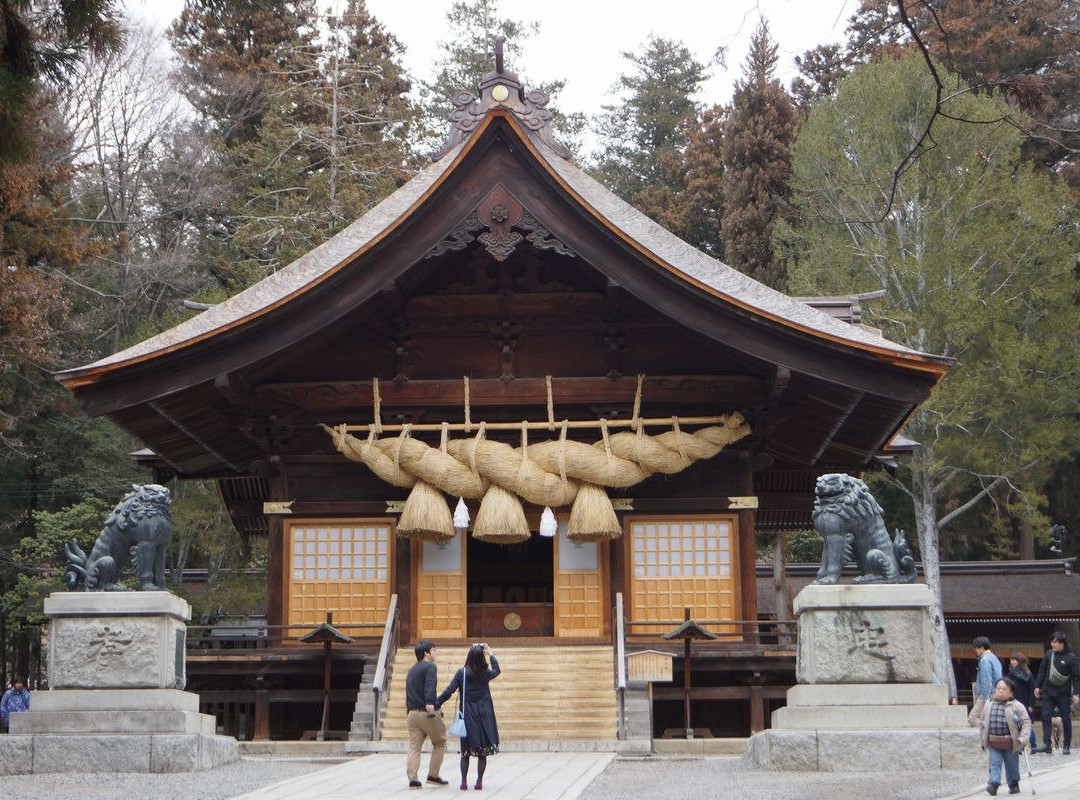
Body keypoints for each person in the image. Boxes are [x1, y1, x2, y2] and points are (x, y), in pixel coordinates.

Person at [437, 643, 500, 791]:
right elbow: (497, 670)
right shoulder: (486, 673)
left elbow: (449, 691)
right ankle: (479, 782)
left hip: (468, 715)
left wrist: (436, 702)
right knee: (482, 752)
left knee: (465, 752)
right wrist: (490, 653)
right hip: (484, 714)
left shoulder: (462, 673)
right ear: (481, 657)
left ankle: (464, 781)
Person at [404, 640, 448, 789]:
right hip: (426, 712)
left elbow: (408, 691)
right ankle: (433, 775)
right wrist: (430, 703)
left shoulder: (412, 669)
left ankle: (413, 780)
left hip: (412, 713)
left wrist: (408, 710)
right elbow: (430, 685)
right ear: (426, 653)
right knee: (440, 742)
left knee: (414, 746)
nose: (435, 653)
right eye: (433, 650)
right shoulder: (430, 667)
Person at [980, 676, 1032, 796]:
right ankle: (993, 784)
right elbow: (982, 724)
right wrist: (983, 739)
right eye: (998, 688)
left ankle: (1013, 784)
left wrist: (1023, 738)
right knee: (995, 763)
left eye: (1004, 689)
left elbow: (1026, 722)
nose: (1000, 691)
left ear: (1011, 691)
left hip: (1011, 742)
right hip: (993, 741)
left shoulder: (1017, 706)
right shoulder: (988, 704)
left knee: (1011, 765)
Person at [1033, 631, 1080, 755]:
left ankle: (1066, 746)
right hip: (1048, 691)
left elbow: (1076, 676)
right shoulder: (1049, 654)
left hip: (1063, 693)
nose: (1052, 644)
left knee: (1065, 719)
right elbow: (1042, 671)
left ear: (1061, 643)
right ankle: (1047, 744)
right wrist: (1037, 686)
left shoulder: (1071, 657)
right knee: (1045, 716)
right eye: (1051, 641)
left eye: (1054, 642)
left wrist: (1076, 693)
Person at [1007, 652, 1038, 751]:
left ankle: (1033, 746)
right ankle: (1019, 747)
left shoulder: (1027, 673)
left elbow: (1032, 689)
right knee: (1015, 724)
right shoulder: (1010, 673)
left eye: (1014, 660)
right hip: (1014, 702)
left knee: (1027, 724)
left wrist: (1031, 704)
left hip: (1026, 702)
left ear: (1019, 661)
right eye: (1011, 660)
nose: (1012, 662)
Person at [970, 637, 1003, 727]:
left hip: (988, 693)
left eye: (976, 648)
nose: (975, 650)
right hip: (997, 691)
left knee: (973, 717)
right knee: (989, 716)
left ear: (981, 647)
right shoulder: (994, 658)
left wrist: (985, 698)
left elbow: (986, 679)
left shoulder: (984, 660)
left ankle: (988, 729)